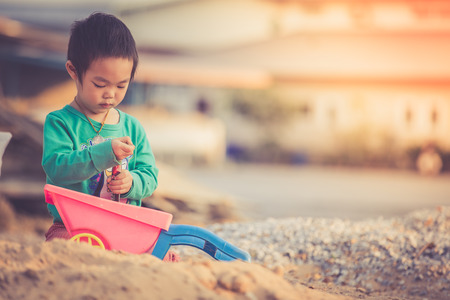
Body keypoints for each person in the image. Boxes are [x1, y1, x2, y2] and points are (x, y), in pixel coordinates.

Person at [42, 12, 179, 262]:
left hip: (125, 228)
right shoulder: (60, 122)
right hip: (72, 227)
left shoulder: (132, 127)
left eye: (121, 85)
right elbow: (56, 168)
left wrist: (132, 182)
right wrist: (105, 153)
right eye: (100, 84)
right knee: (63, 249)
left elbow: (150, 175)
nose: (111, 95)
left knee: (166, 255)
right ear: (74, 71)